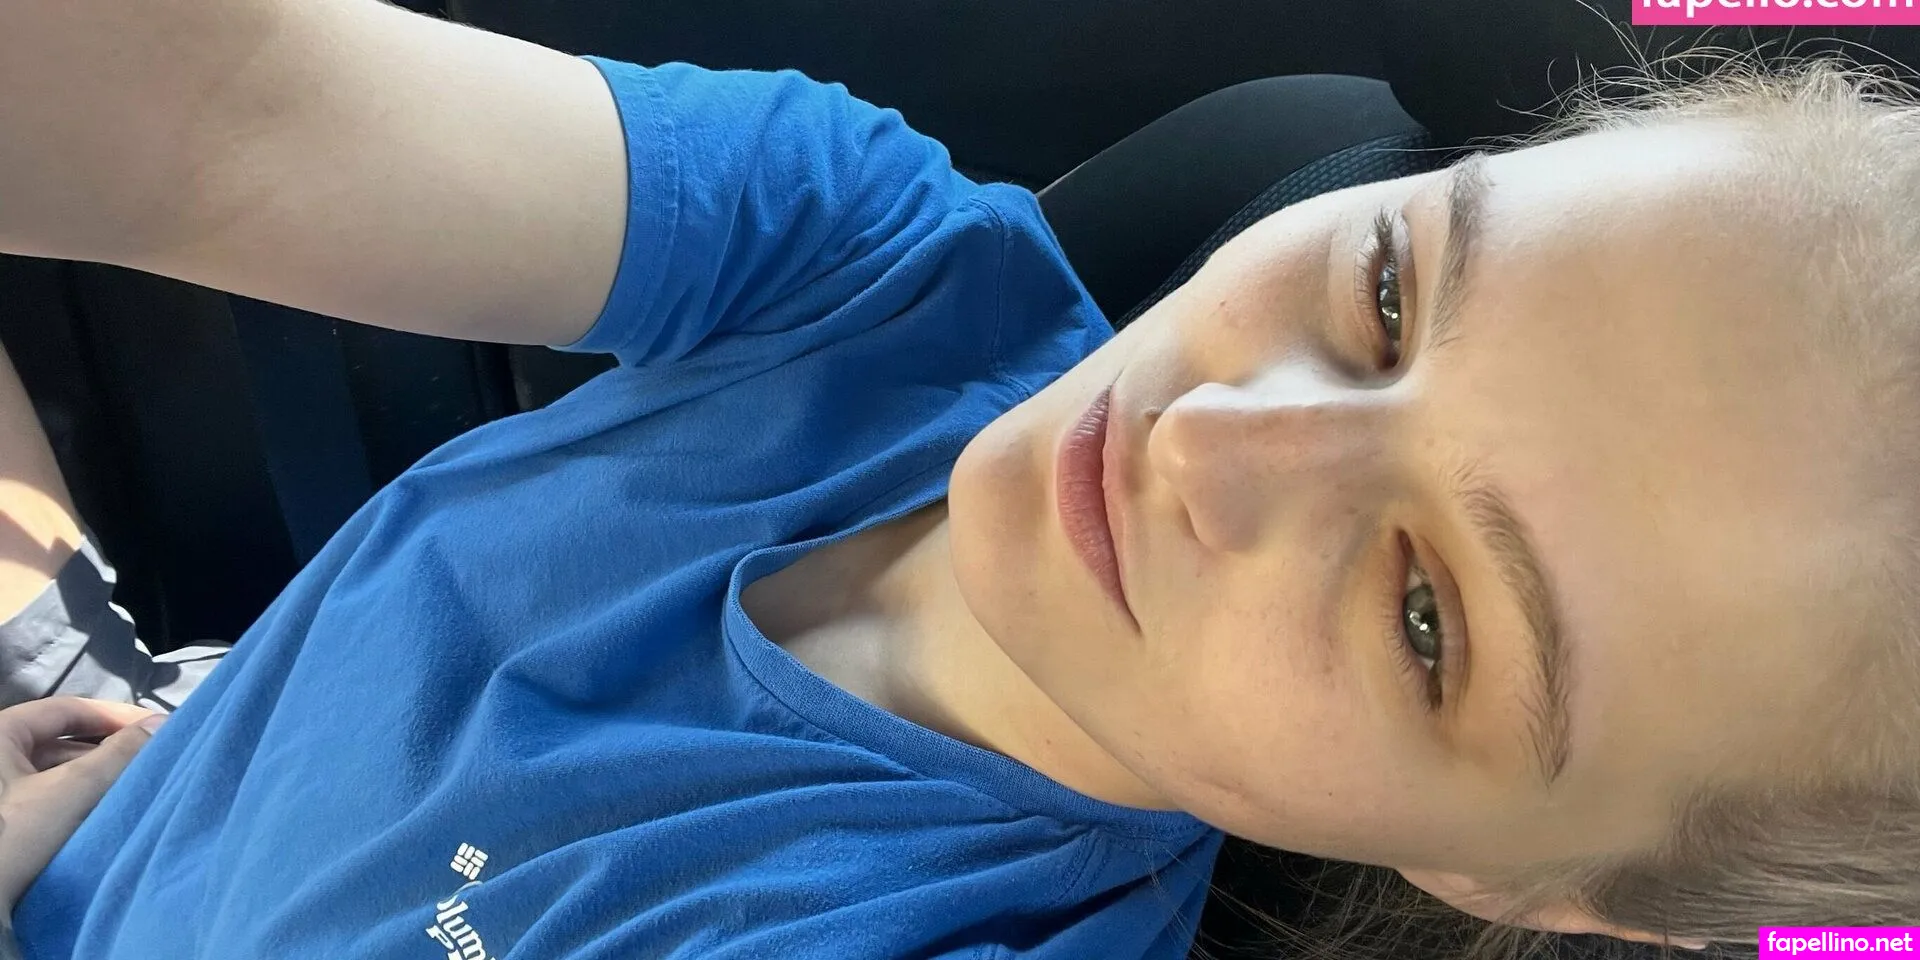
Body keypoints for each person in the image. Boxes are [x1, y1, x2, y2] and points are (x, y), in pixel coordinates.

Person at [0, 0, 1916, 956]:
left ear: (1528, 882)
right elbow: (224, 115)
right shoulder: (877, 267)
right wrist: (156, 776)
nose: (1217, 441)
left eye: (1428, 617)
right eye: (1392, 293)